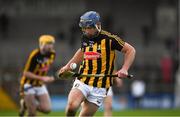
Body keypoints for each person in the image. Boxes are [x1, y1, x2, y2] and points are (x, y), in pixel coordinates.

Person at [58, 11, 136, 116]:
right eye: (83, 28)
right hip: (83, 80)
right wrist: (68, 66)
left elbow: (131, 50)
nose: (85, 30)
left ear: (97, 26)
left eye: (87, 27)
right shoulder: (85, 36)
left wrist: (124, 68)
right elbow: (82, 51)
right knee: (72, 107)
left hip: (100, 87)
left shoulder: (110, 39)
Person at [19, 35, 56, 116]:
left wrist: (50, 77)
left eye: (52, 43)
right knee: (32, 113)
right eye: (48, 43)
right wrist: (42, 78)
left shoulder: (52, 54)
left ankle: (25, 104)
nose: (51, 46)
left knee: (47, 109)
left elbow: (46, 67)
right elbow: (25, 73)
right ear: (41, 44)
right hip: (28, 84)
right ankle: (28, 105)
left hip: (40, 84)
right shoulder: (34, 55)